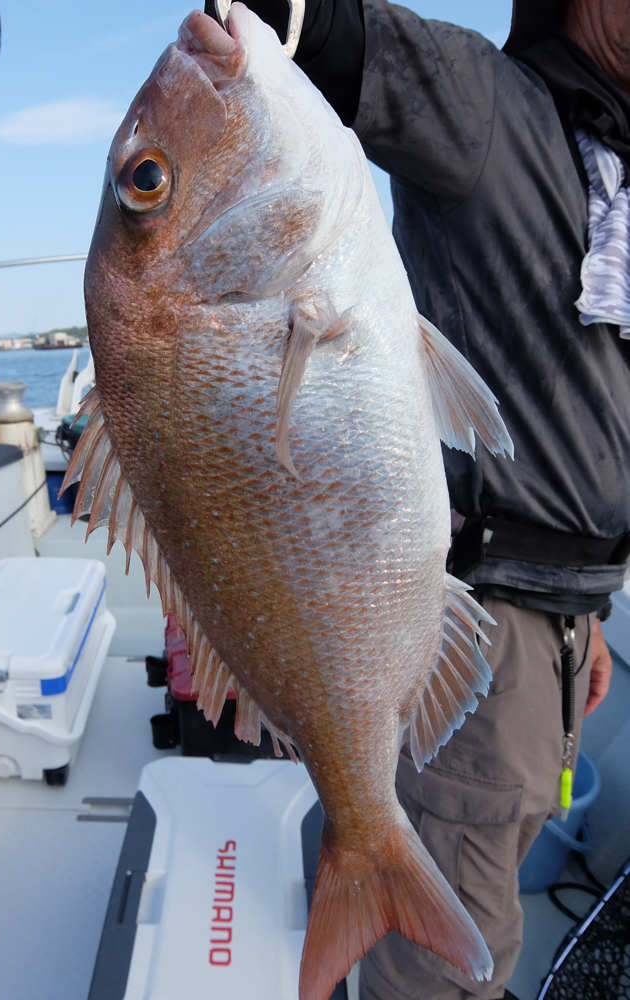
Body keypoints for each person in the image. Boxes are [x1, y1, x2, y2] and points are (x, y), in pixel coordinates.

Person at [204, 0, 629, 997]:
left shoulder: (610, 166)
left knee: (492, 878)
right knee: (449, 974)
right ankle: (369, 859)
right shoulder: (485, 100)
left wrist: (592, 611)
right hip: (485, 623)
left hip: (562, 628)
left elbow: (591, 420)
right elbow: (324, 29)